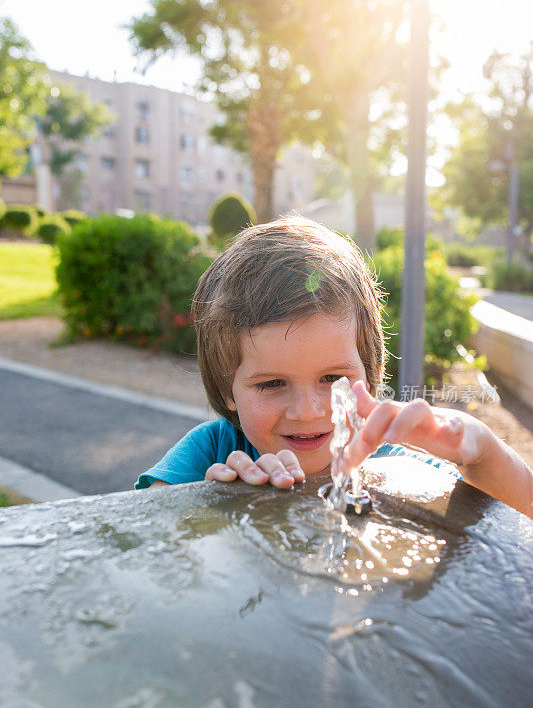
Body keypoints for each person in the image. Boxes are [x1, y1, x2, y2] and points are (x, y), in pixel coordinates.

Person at [135, 217, 533, 518]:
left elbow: (522, 515)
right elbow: (140, 538)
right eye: (272, 383)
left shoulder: (394, 462)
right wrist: (212, 505)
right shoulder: (212, 451)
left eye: (333, 379)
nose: (308, 410)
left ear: (368, 371)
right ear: (227, 390)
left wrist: (480, 452)